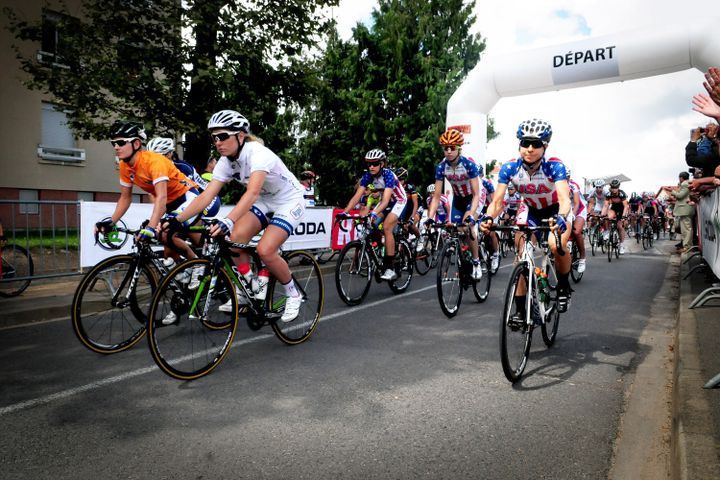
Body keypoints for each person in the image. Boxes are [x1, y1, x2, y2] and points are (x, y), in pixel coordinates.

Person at [163, 110, 306, 322]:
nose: (218, 142)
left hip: (289, 201)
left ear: (240, 136)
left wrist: (228, 220)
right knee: (232, 242)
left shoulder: (258, 154)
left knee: (265, 250)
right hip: (265, 201)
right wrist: (177, 220)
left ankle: (293, 293)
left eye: (222, 136)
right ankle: (249, 284)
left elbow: (252, 192)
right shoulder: (225, 161)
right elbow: (206, 196)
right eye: (214, 138)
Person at [98, 121, 204, 303]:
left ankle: (198, 265)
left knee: (165, 231)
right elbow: (125, 198)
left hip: (188, 198)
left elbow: (161, 198)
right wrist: (111, 222)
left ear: (136, 144)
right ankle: (188, 266)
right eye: (113, 143)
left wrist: (152, 227)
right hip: (171, 204)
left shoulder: (154, 161)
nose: (116, 147)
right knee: (163, 236)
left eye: (121, 142)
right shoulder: (125, 166)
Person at [480, 118, 574, 312]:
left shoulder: (554, 166)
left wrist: (562, 217)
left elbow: (565, 199)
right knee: (521, 256)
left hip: (555, 210)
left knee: (556, 245)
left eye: (536, 144)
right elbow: (497, 201)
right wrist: (489, 218)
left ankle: (564, 287)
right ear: (519, 144)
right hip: (531, 209)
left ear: (545, 146)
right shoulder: (510, 168)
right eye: (525, 143)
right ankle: (521, 311)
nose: (530, 149)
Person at [338, 149, 407, 281]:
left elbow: (386, 200)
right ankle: (383, 248)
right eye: (369, 164)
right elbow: (357, 196)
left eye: (374, 164)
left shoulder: (388, 175)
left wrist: (373, 213)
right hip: (384, 203)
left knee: (387, 227)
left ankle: (390, 267)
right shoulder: (368, 176)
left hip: (398, 201)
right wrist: (345, 212)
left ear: (382, 164)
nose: (371, 167)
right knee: (370, 227)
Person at [425, 129, 483, 280]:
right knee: (455, 230)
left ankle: (476, 262)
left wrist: (471, 214)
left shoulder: (468, 165)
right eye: (446, 148)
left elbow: (477, 194)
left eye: (452, 147)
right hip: (458, 199)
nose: (449, 151)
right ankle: (464, 257)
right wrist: (430, 217)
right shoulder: (442, 167)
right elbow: (436, 196)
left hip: (473, 197)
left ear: (459, 148)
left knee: (467, 226)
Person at [600, 179, 629, 255]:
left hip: (622, 209)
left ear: (618, 187)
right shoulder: (609, 194)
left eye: (615, 187)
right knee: (607, 217)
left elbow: (626, 206)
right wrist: (602, 215)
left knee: (620, 227)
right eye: (612, 187)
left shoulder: (622, 194)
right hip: (614, 208)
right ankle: (607, 232)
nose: (614, 189)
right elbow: (606, 205)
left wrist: (623, 217)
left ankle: (622, 245)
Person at [567, 169, 587, 273]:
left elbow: (576, 203)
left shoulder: (573, 185)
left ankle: (582, 258)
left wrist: (573, 216)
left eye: (567, 178)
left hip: (579, 209)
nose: (564, 180)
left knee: (576, 231)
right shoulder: (555, 185)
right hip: (566, 209)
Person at [670, 171, 694, 253]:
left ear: (681, 178)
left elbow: (680, 196)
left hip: (685, 209)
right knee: (685, 229)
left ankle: (687, 247)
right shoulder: (686, 183)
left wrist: (672, 191)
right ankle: (686, 246)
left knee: (686, 229)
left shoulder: (685, 184)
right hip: (685, 209)